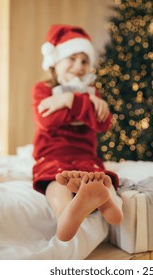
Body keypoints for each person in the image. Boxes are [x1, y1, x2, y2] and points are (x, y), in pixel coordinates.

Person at [31, 24, 123, 242]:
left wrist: (69, 100)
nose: (79, 66)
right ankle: (65, 214)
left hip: (85, 155)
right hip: (52, 155)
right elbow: (47, 120)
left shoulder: (93, 93)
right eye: (72, 58)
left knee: (97, 176)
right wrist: (84, 106)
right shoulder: (43, 90)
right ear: (56, 62)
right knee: (55, 181)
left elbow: (102, 123)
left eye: (84, 61)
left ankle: (109, 204)